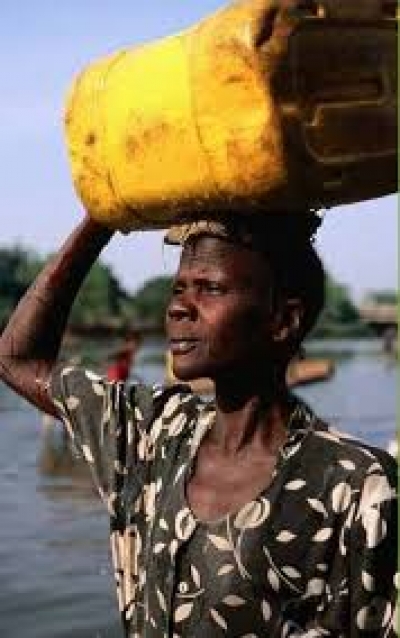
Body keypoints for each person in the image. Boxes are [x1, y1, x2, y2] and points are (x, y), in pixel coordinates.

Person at [0, 211, 397, 638]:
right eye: (178, 289)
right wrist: (103, 218)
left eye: (209, 288)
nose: (177, 307)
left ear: (284, 320)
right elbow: (16, 358)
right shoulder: (154, 430)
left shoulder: (358, 488)